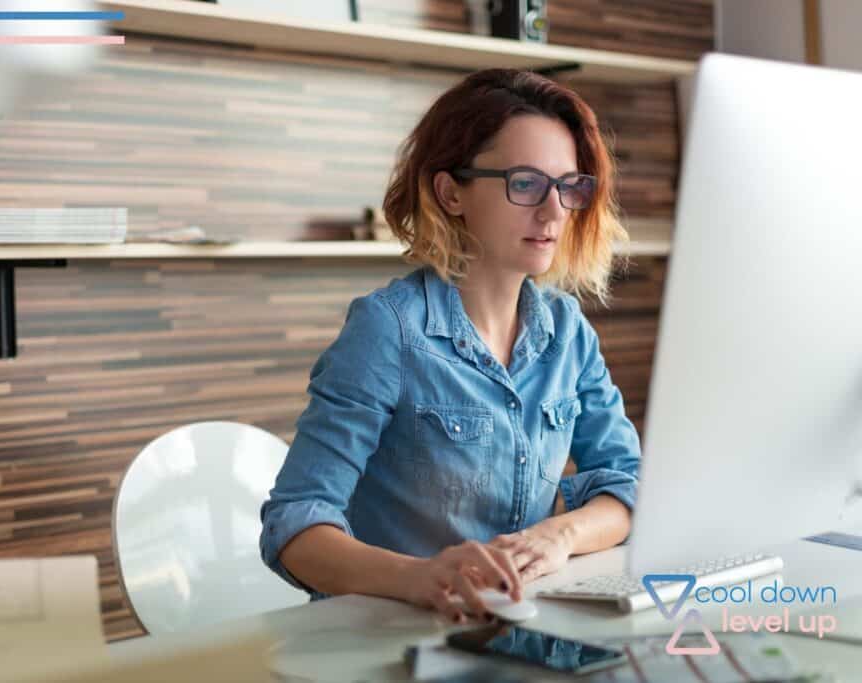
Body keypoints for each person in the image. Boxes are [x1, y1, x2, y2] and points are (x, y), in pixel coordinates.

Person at [259, 68, 641, 624]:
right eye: (526, 183)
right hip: (388, 635)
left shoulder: (568, 332)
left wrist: (560, 534)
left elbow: (625, 485)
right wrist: (418, 577)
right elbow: (295, 523)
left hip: (511, 628)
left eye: (569, 186)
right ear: (450, 191)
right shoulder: (387, 329)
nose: (555, 211)